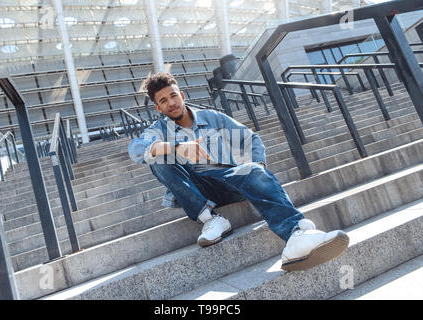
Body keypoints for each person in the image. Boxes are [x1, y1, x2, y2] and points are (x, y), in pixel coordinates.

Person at [128, 72, 349, 272]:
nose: (171, 103)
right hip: (196, 190)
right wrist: (176, 147)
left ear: (182, 95)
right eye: (163, 101)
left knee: (252, 170)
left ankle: (296, 236)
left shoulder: (212, 117)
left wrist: (257, 169)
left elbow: (250, 137)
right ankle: (211, 219)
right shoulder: (158, 129)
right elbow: (136, 149)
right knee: (157, 158)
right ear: (158, 108)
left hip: (226, 180)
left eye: (173, 95)